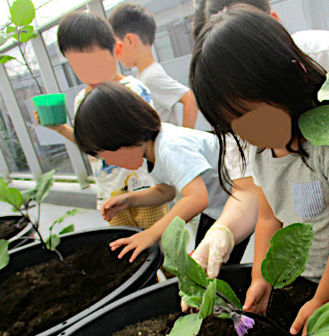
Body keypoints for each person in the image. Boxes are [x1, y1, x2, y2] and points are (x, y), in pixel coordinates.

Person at [189, 6, 329, 336]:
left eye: (250, 114)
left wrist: (323, 300)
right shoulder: (259, 148)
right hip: (314, 274)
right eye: (232, 123)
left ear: (290, 76)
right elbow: (268, 218)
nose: (246, 133)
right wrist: (262, 279)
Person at [73, 81, 249, 266]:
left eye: (105, 154)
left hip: (243, 200)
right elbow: (166, 191)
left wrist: (151, 233)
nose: (108, 162)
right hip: (221, 206)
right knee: (207, 266)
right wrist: (130, 200)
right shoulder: (149, 151)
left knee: (213, 268)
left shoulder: (169, 147)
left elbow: (197, 198)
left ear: (122, 133)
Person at [35, 11, 161, 227]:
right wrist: (59, 128)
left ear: (116, 51)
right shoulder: (81, 100)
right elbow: (92, 145)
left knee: (158, 245)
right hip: (109, 194)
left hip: (145, 189)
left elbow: (152, 136)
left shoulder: (132, 90)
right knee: (127, 250)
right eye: (78, 65)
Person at [108, 3, 199, 128]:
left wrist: (185, 140)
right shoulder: (144, 75)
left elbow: (189, 99)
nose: (116, 53)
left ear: (130, 41)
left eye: (117, 46)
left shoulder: (151, 77)